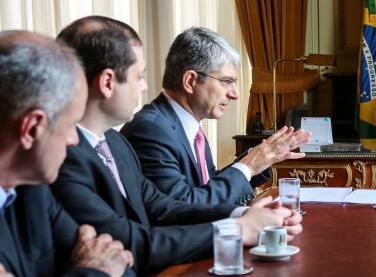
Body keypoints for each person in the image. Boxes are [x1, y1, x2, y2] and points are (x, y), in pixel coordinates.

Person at [51, 16, 302, 277]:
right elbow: (132, 240)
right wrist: (238, 228)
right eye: (140, 76)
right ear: (107, 82)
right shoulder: (62, 158)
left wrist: (242, 214)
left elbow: (164, 207)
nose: (146, 86)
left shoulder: (114, 142)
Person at [0, 30, 135, 277]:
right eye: (73, 123)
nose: (76, 140)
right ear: (32, 128)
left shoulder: (32, 191)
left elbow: (123, 266)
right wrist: (92, 273)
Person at [120, 27, 311, 204]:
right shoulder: (151, 130)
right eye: (226, 81)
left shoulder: (187, 126)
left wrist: (259, 160)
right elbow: (183, 206)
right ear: (191, 81)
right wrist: (248, 167)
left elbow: (207, 187)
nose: (235, 94)